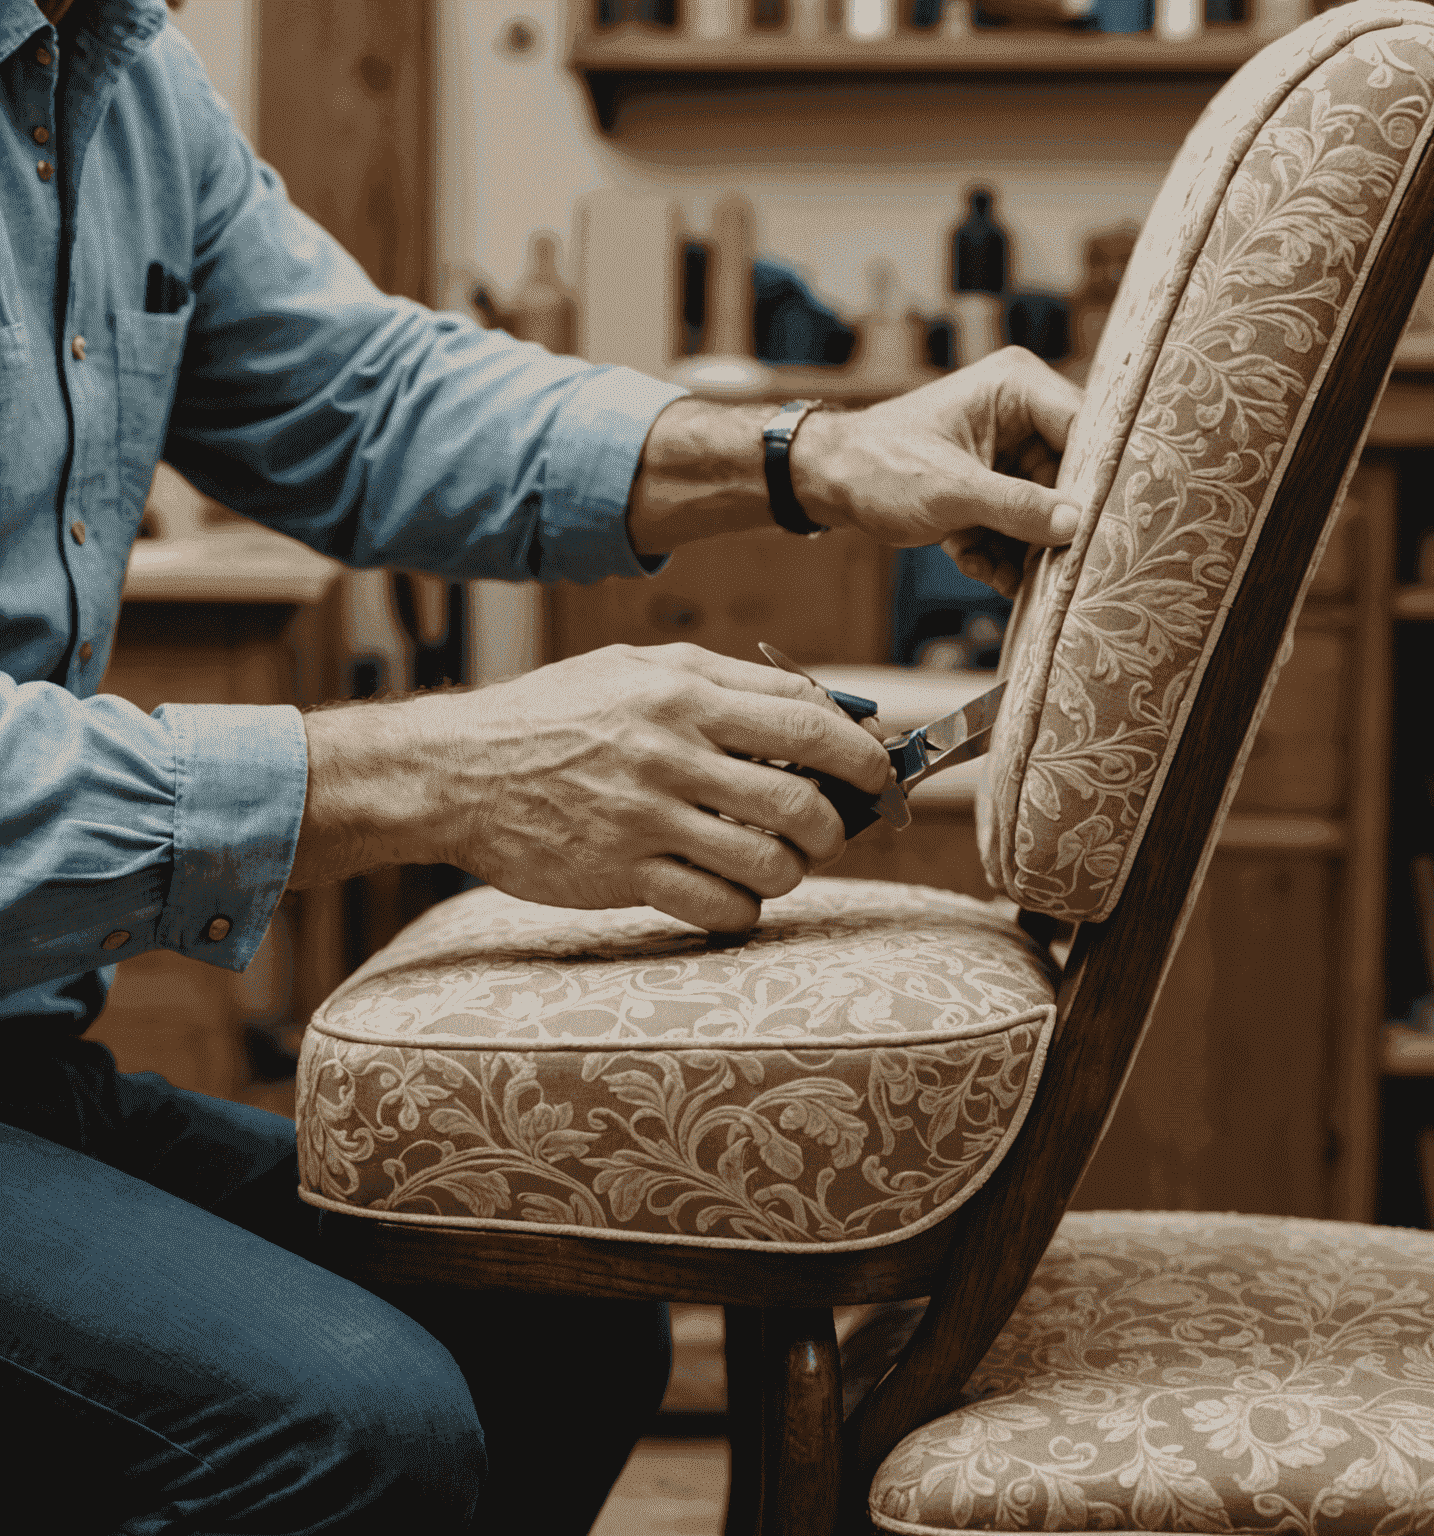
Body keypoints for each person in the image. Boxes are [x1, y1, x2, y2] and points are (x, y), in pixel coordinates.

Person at [0, 1, 1083, 1530]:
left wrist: (805, 453)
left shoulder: (117, 74)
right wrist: (436, 775)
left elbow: (366, 398)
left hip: (21, 1048)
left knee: (559, 1320)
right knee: (355, 1428)